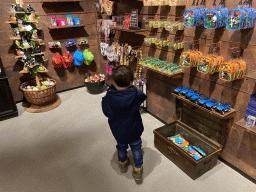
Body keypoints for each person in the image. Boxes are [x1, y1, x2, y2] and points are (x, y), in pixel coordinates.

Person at [101, 65, 147, 182]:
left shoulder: (108, 97)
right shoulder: (136, 95)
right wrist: (134, 88)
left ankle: (123, 163)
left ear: (113, 81)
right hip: (134, 129)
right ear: (131, 81)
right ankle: (138, 169)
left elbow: (106, 112)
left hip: (118, 131)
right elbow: (143, 96)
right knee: (136, 148)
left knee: (121, 147)